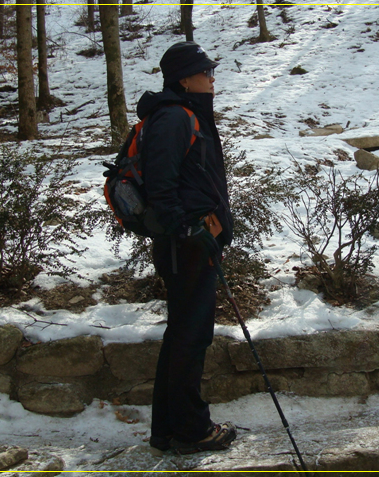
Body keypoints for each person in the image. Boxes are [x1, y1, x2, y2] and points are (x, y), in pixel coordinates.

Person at [138, 41, 237, 454]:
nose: (213, 77)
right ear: (184, 78)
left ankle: (168, 429)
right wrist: (188, 229)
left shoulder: (187, 114)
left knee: (183, 334)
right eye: (206, 71)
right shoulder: (175, 117)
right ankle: (192, 431)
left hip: (194, 242)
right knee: (191, 338)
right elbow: (161, 184)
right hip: (187, 245)